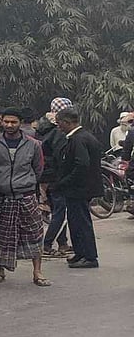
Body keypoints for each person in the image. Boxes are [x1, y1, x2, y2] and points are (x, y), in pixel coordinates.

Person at [0, 109, 51, 286]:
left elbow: (38, 169)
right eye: (6, 121)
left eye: (13, 122)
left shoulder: (34, 144)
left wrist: (26, 183)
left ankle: (37, 272)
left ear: (20, 123)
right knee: (1, 234)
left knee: (34, 233)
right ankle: (0, 269)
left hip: (26, 196)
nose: (9, 125)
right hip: (2, 197)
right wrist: (2, 183)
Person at [53, 107, 102, 269]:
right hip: (81, 188)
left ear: (67, 122)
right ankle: (81, 253)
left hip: (79, 189)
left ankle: (89, 256)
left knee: (81, 223)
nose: (58, 126)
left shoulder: (78, 139)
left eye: (59, 123)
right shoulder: (83, 136)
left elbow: (81, 164)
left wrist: (65, 181)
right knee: (75, 222)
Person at [37, 98, 73, 257]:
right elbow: (61, 157)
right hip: (56, 176)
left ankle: (63, 243)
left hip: (46, 175)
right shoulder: (59, 131)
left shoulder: (43, 127)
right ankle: (47, 243)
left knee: (57, 209)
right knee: (61, 211)